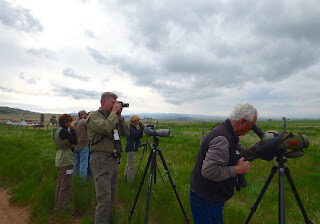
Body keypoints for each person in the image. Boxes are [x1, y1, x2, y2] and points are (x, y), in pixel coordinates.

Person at [190, 103, 259, 224]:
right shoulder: (222, 138)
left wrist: (263, 143)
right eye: (251, 126)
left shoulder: (227, 132)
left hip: (208, 196)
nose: (250, 130)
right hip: (206, 199)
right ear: (242, 121)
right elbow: (209, 171)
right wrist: (237, 169)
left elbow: (242, 153)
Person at [87, 92, 130, 224]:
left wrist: (120, 116)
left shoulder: (113, 117)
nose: (115, 105)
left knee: (111, 196)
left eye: (116, 103)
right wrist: (114, 114)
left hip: (112, 159)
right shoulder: (94, 115)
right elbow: (105, 128)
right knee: (104, 199)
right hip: (100, 159)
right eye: (113, 102)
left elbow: (126, 133)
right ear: (103, 102)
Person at [51, 114, 77, 212]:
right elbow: (75, 141)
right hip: (66, 160)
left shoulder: (56, 130)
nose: (71, 123)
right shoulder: (63, 131)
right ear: (67, 122)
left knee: (60, 184)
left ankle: (57, 205)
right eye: (70, 121)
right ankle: (62, 207)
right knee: (66, 185)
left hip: (59, 158)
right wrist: (73, 130)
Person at [124, 115, 144, 183]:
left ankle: (125, 179)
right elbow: (135, 134)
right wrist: (142, 128)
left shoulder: (133, 127)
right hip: (131, 148)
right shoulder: (130, 128)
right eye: (137, 121)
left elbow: (139, 135)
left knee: (129, 165)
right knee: (131, 166)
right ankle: (130, 182)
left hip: (132, 148)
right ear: (134, 121)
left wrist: (141, 128)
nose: (138, 122)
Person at [73, 110, 89, 179]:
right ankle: (82, 181)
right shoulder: (83, 121)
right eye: (86, 114)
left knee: (76, 164)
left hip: (75, 146)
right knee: (83, 164)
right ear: (82, 115)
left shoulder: (74, 123)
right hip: (83, 145)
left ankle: (75, 178)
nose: (87, 116)